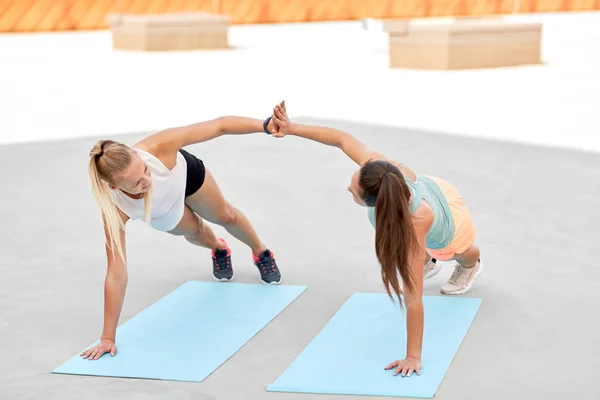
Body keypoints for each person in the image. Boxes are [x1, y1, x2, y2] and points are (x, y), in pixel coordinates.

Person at [268, 101, 483, 378]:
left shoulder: (418, 220)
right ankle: (430, 257)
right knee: (422, 253)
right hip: (426, 195)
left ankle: (471, 265)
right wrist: (293, 128)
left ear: (376, 202)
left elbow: (414, 298)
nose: (348, 187)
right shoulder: (382, 173)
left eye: (353, 192)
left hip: (445, 221)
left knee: (453, 250)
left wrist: (413, 356)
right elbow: (341, 140)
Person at [80, 116, 282, 361]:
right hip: (158, 208)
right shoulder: (114, 209)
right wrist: (107, 338)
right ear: (114, 187)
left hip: (185, 176)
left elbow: (219, 126)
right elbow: (116, 273)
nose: (148, 180)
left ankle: (260, 252)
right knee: (194, 230)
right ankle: (219, 248)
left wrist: (265, 125)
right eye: (137, 182)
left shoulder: (159, 147)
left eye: (144, 169)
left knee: (225, 216)